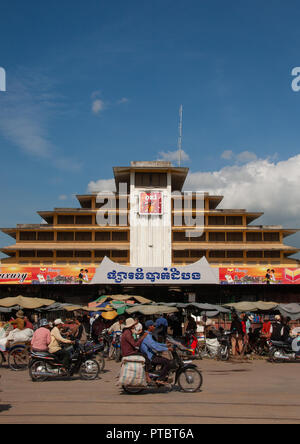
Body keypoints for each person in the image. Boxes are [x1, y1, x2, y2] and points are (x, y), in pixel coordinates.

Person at [140, 320, 173, 385]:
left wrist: (165, 345)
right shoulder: (147, 336)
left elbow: (155, 343)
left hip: (151, 355)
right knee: (167, 362)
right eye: (153, 326)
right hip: (150, 357)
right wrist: (167, 349)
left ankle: (161, 375)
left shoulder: (149, 335)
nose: (154, 327)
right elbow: (155, 347)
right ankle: (160, 379)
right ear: (150, 327)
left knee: (164, 360)